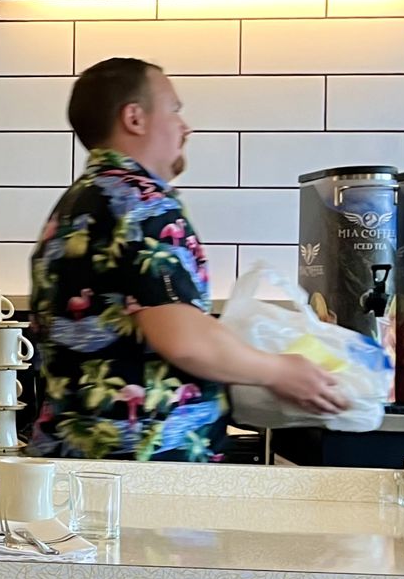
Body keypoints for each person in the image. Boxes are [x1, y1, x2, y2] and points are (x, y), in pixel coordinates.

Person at [27, 58, 344, 461]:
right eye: (174, 109)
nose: (185, 126)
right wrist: (281, 371)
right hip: (143, 468)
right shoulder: (142, 204)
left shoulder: (76, 205)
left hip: (77, 457)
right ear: (134, 118)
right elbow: (184, 339)